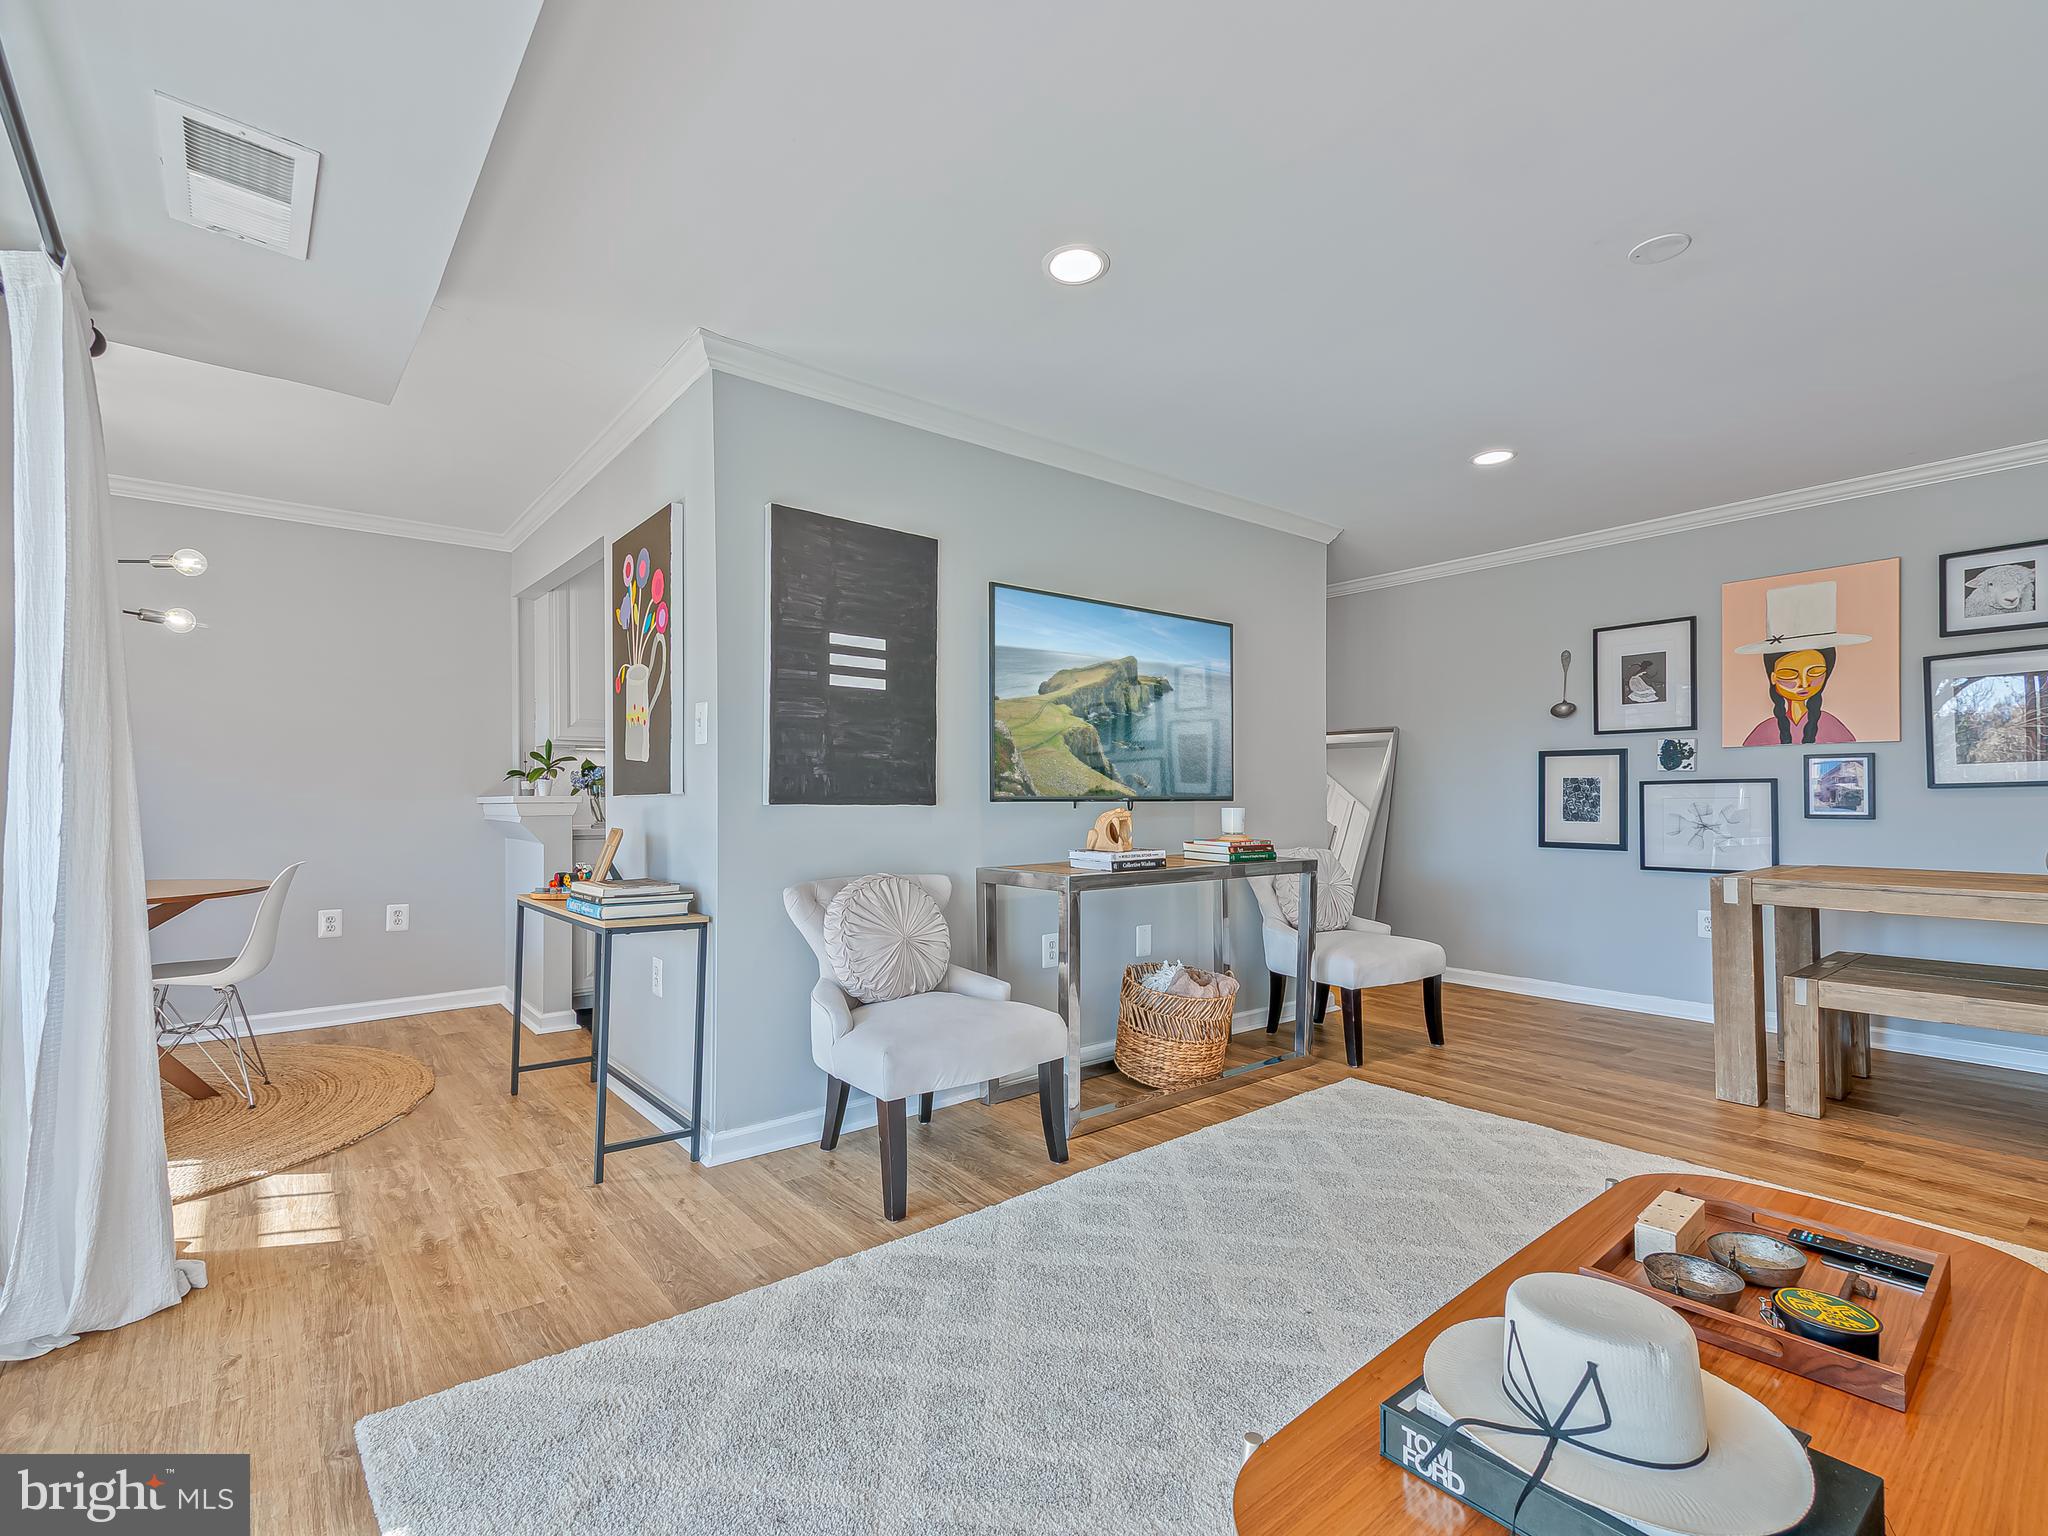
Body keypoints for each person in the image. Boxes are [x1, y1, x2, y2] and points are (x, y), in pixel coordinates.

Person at [1732, 581, 1868, 745]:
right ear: (1773, 677)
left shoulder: (1832, 726)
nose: (1804, 683)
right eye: (1789, 674)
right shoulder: (1763, 731)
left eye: (1815, 673)